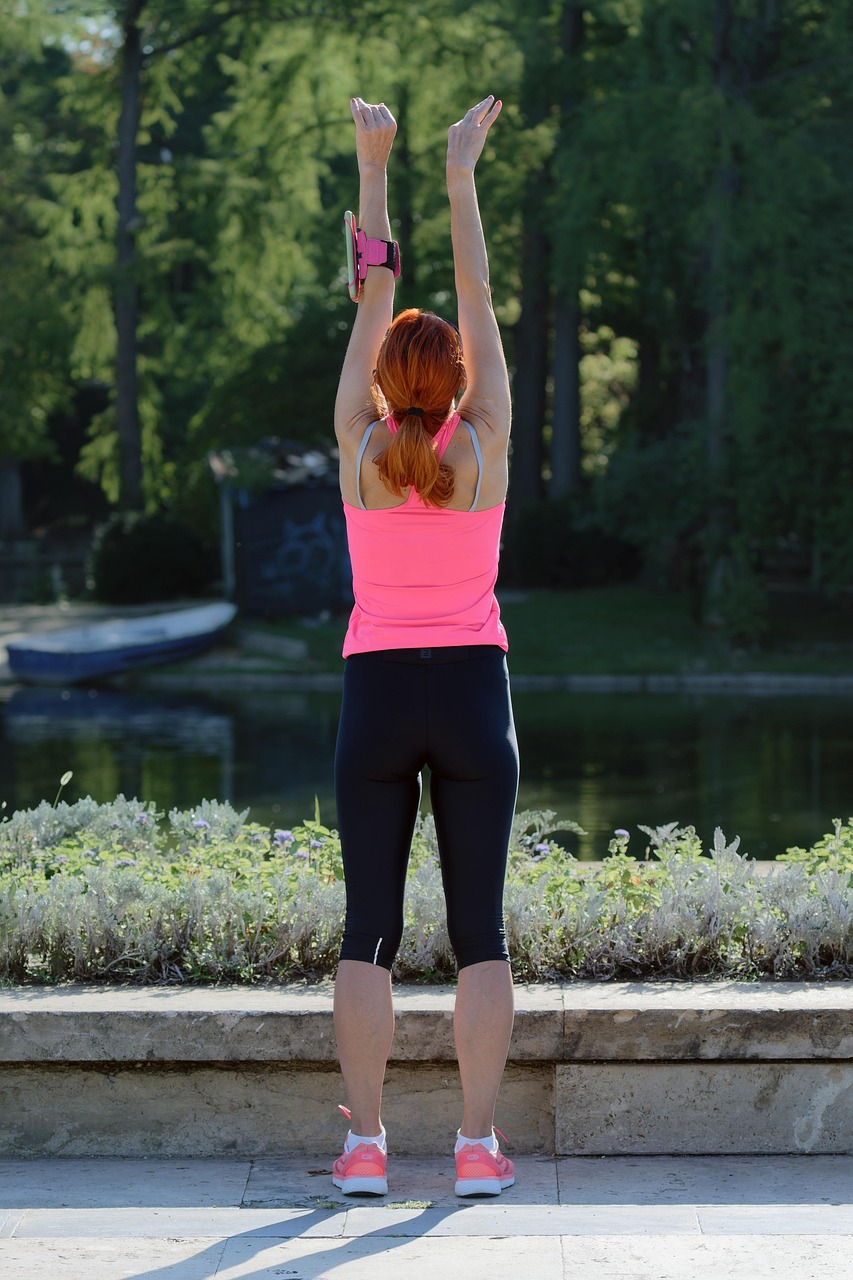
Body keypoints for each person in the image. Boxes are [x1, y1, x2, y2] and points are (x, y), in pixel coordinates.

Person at [332, 94, 518, 1199]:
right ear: (453, 385)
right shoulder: (484, 451)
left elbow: (377, 288)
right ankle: (476, 1147)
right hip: (472, 694)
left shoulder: (360, 451)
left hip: (375, 693)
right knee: (479, 931)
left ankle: (364, 1146)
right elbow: (477, 296)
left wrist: (373, 169)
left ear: (384, 384)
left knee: (368, 928)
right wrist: (461, 176)